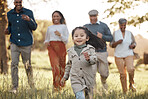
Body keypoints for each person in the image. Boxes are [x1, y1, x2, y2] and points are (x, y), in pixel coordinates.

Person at [4, 0, 37, 94]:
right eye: (16, 2)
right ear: (13, 2)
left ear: (22, 2)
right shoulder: (9, 13)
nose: (18, 4)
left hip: (26, 43)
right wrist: (8, 31)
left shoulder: (28, 12)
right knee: (14, 64)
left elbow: (34, 27)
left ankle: (31, 86)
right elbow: (10, 26)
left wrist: (29, 20)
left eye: (20, 2)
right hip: (14, 42)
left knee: (27, 65)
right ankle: (14, 87)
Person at [61, 27, 99, 99]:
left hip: (88, 78)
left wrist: (89, 59)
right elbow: (69, 65)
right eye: (76, 36)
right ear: (72, 39)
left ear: (87, 38)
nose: (79, 38)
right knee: (80, 96)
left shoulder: (90, 49)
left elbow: (94, 60)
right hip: (75, 77)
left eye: (82, 36)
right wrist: (65, 77)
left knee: (89, 96)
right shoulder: (70, 51)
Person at [84, 9, 113, 91]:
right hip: (90, 53)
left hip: (102, 52)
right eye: (91, 16)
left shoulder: (103, 26)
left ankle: (104, 83)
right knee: (92, 73)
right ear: (89, 17)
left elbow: (110, 38)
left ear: (97, 16)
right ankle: (93, 92)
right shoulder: (86, 27)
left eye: (94, 16)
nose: (93, 18)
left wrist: (102, 36)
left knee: (104, 73)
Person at [44, 10, 69, 91]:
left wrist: (60, 35)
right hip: (52, 47)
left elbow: (66, 41)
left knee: (62, 67)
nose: (55, 18)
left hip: (61, 47)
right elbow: (46, 39)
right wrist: (46, 42)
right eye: (54, 16)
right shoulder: (50, 28)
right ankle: (56, 87)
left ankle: (61, 85)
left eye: (57, 16)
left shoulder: (64, 27)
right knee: (55, 67)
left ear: (60, 17)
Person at [110, 18, 136, 93]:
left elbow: (134, 43)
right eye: (121, 25)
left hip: (129, 54)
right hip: (118, 55)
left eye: (124, 25)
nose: (123, 27)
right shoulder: (115, 33)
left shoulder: (129, 33)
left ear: (126, 25)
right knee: (122, 74)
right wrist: (117, 42)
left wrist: (133, 46)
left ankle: (131, 84)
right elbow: (111, 45)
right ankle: (125, 91)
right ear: (119, 25)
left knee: (131, 69)